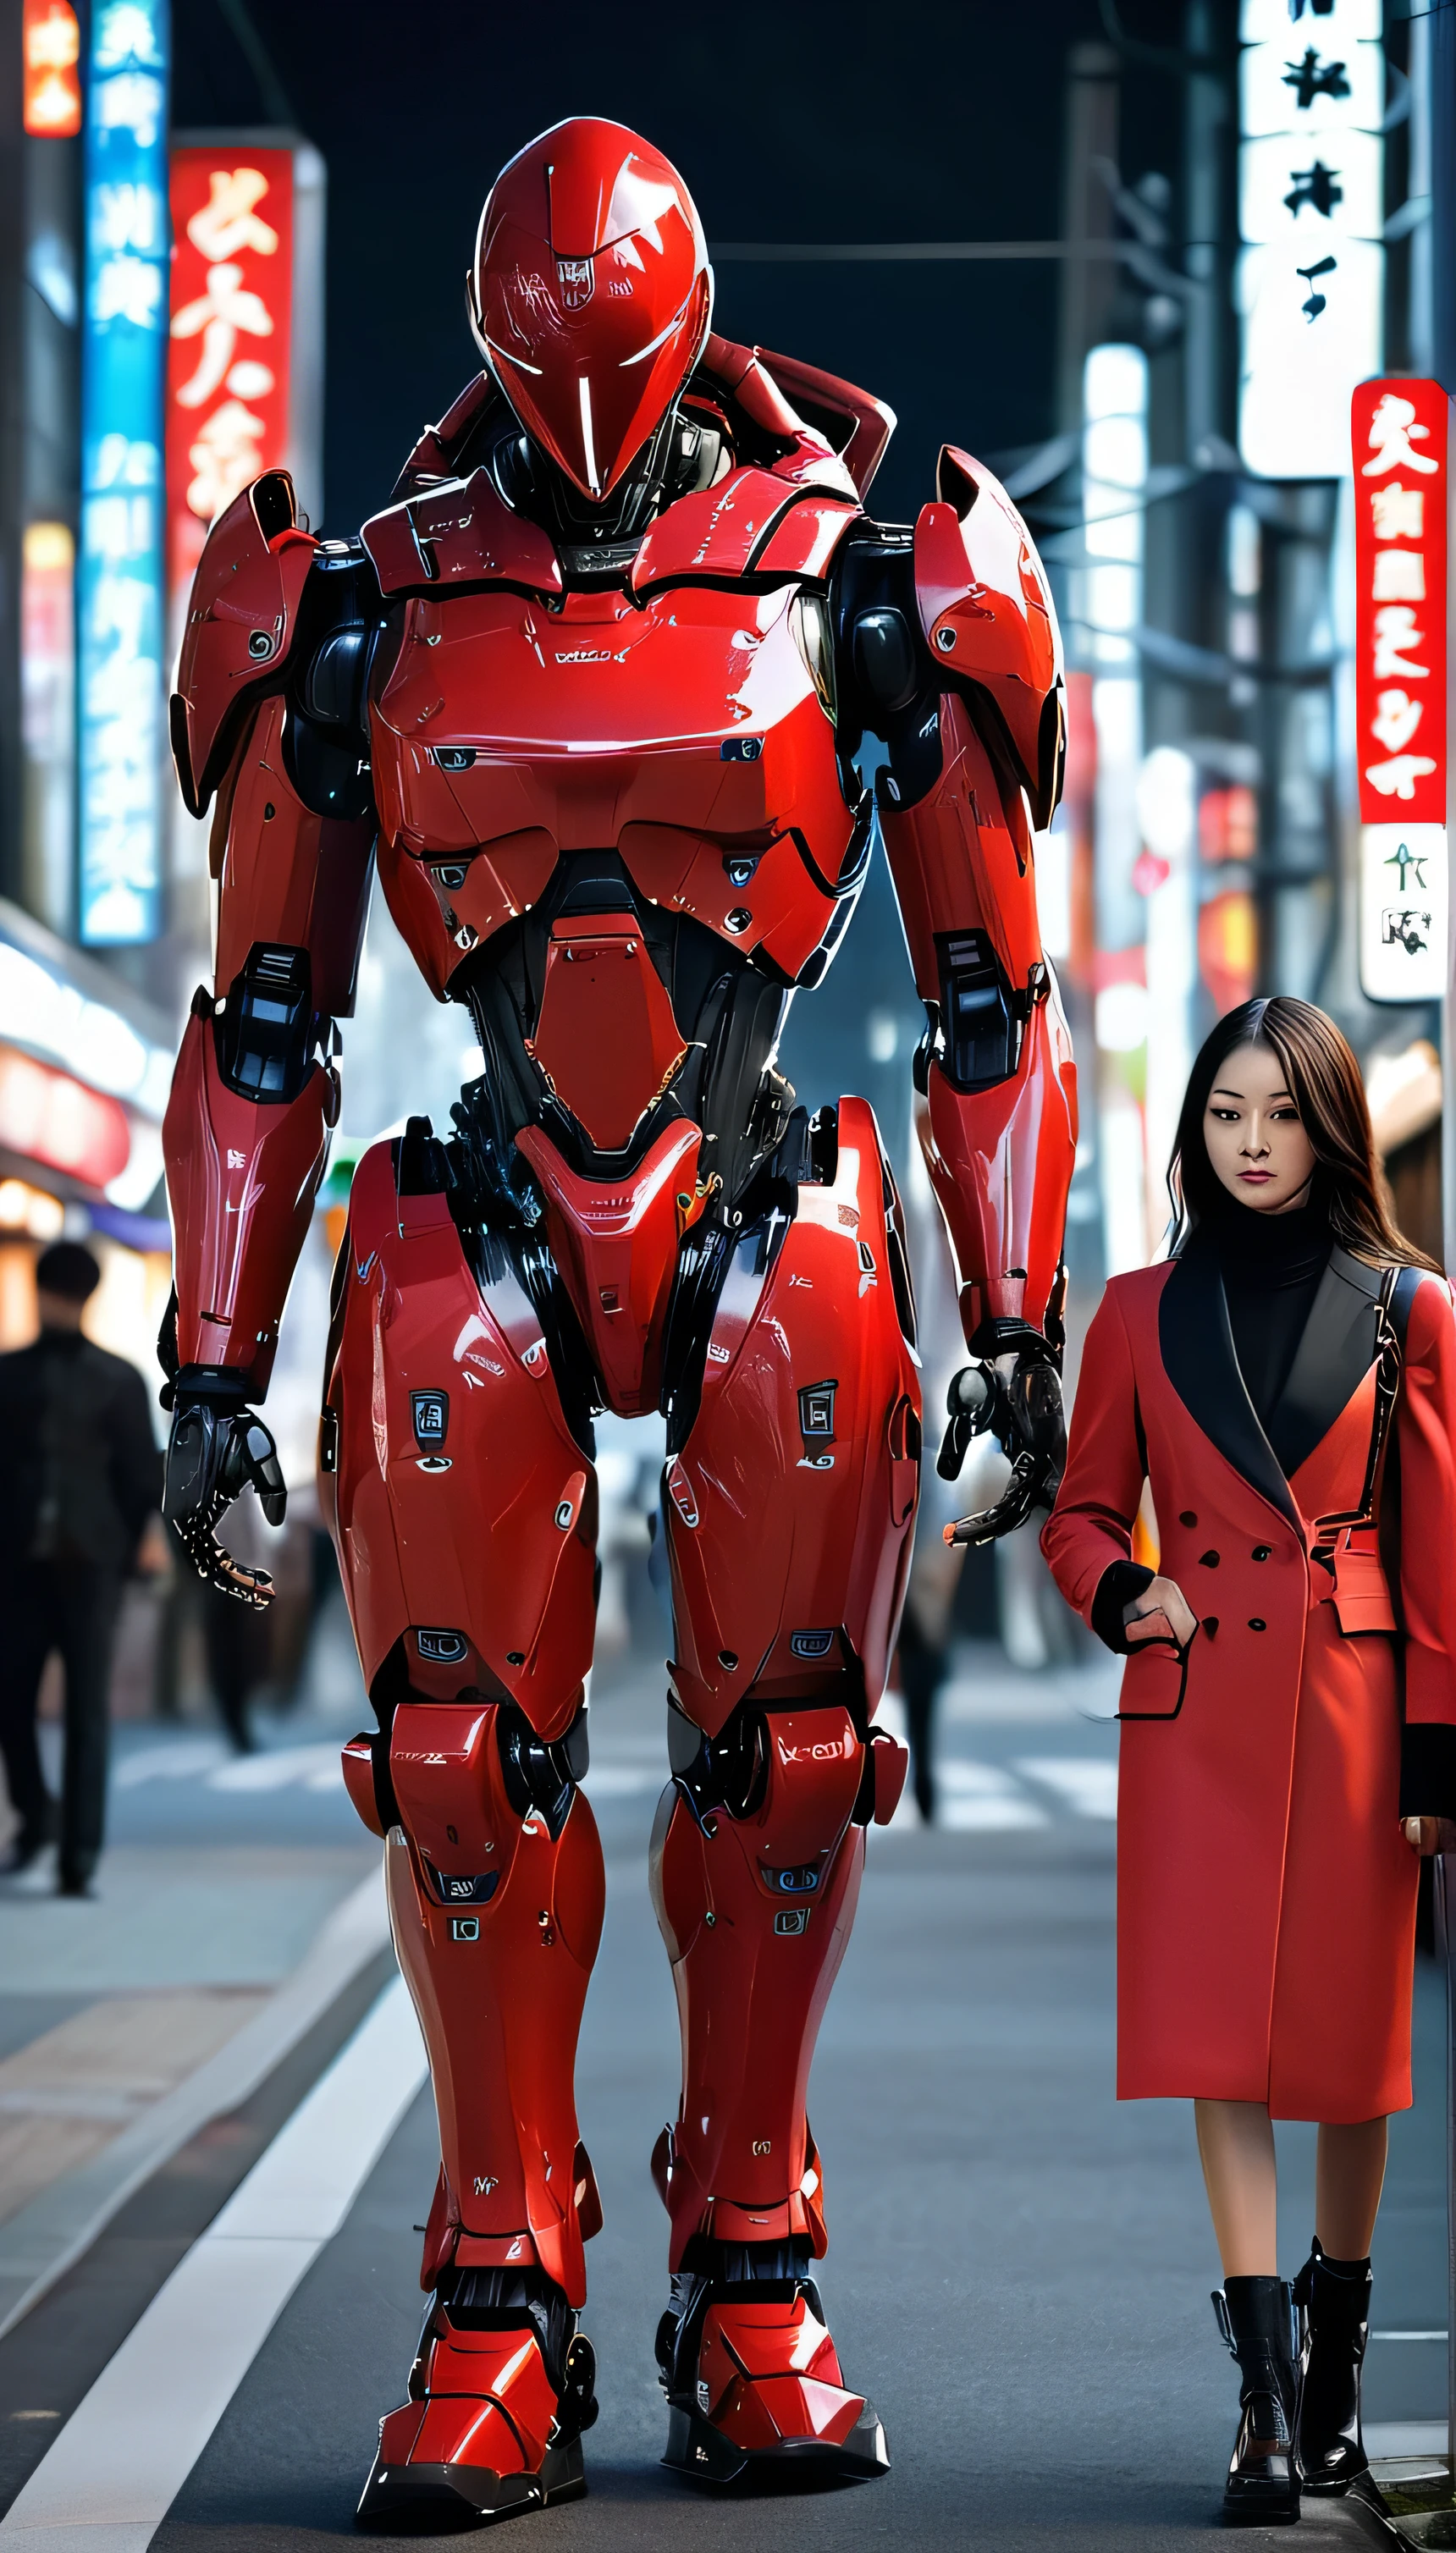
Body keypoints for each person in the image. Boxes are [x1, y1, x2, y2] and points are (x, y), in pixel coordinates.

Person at [157, 114, 1077, 2517]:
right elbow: (267, 1012)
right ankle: (501, 2285)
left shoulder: (874, 567)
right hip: (485, 1197)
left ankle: (749, 2247)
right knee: (456, 1759)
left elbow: (990, 994)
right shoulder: (351, 599)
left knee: (790, 1751)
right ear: (489, 339)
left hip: (772, 1175)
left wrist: (1015, 1321)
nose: (575, 409)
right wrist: (211, 1363)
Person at [1043, 996, 1456, 2523]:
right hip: (1201, 1708)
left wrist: (1440, 1761)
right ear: (1195, 1129)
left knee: (1351, 2053)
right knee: (1224, 2042)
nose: (1255, 1143)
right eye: (1228, 1114)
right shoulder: (1139, 1310)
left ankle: (1338, 2333)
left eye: (1282, 1114)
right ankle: (1268, 2398)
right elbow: (1084, 1508)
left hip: (1355, 1712)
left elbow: (1445, 1564)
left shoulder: (1413, 1310)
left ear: (1330, 1124)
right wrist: (1116, 1587)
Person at [0, 1241, 165, 1894]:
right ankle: (39, 1815)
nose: (59, 1306)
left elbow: (138, 1473)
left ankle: (79, 1858)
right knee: (10, 1704)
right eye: (52, 1293)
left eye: (68, 1294)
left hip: (93, 1565)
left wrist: (142, 1538)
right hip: (15, 1565)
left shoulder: (120, 1379)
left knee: (88, 1714)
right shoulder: (8, 1375)